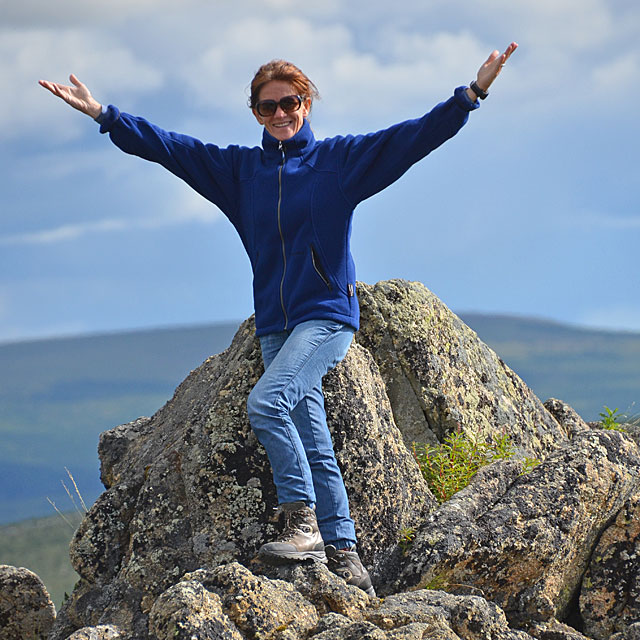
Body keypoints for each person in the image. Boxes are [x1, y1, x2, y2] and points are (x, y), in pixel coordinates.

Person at [39, 42, 517, 597]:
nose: (280, 114)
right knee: (312, 433)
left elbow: (409, 140)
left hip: (325, 317)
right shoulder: (240, 173)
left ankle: (303, 522)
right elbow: (173, 149)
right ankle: (343, 552)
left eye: (289, 102)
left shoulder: (338, 162)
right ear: (256, 115)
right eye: (267, 108)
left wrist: (471, 95)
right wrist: (105, 115)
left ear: (306, 103)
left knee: (266, 403)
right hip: (275, 325)